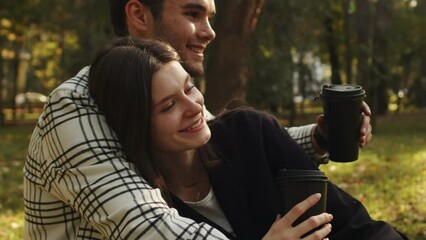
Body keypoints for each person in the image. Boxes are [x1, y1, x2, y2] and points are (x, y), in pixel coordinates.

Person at [22, 0, 373, 239]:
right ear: (139, 14)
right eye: (193, 13)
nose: (210, 31)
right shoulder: (76, 105)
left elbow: (213, 136)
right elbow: (145, 225)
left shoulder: (167, 83)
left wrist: (318, 137)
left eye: (210, 16)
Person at [86, 37, 404, 240]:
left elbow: (354, 225)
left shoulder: (250, 134)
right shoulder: (144, 209)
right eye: (169, 105)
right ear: (137, 124)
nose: (194, 107)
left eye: (189, 88)